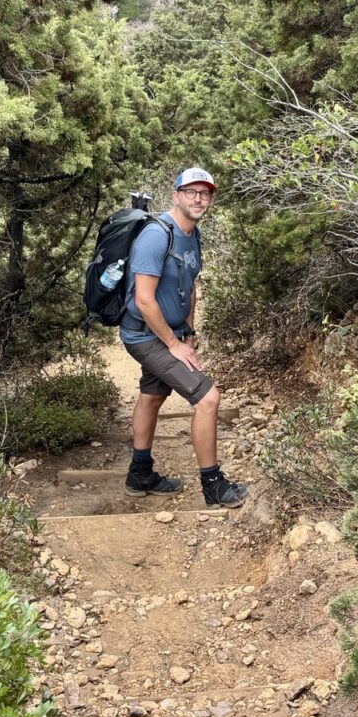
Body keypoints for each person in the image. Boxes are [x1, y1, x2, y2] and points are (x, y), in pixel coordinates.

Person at [119, 167, 248, 509]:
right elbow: (145, 300)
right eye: (191, 191)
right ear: (175, 195)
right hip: (144, 335)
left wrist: (187, 332)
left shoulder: (192, 235)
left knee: (152, 395)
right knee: (207, 399)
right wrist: (173, 345)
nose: (198, 198)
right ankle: (213, 486)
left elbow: (188, 285)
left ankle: (140, 474)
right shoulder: (156, 235)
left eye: (205, 193)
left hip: (169, 333)